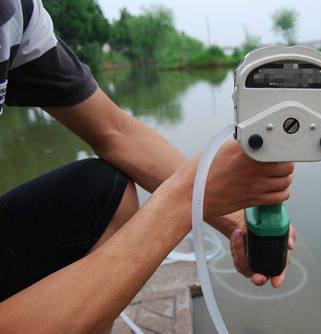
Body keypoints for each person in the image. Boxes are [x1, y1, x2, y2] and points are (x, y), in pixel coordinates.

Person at [0, 0, 296, 333]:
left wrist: (239, 222)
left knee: (104, 191)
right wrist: (184, 199)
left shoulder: (16, 14)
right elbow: (178, 196)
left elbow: (115, 133)